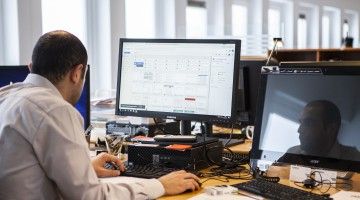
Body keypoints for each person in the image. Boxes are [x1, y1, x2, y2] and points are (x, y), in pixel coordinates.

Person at [0, 30, 200, 199]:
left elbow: (25, 168)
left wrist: (83, 167)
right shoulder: (54, 109)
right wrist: (160, 185)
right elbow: (90, 196)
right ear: (77, 73)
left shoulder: (6, 96)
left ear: (30, 67)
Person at [286, 100, 360, 160]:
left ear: (331, 129)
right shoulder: (291, 154)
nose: (299, 130)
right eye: (301, 123)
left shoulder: (355, 159)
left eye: (308, 123)